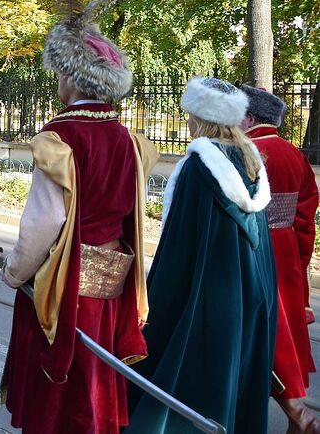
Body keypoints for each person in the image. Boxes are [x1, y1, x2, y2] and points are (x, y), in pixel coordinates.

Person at [0, 0, 157, 433]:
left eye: (59, 73)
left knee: (58, 395)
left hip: (61, 285)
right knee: (94, 381)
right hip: (110, 286)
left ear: (71, 77)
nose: (57, 81)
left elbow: (45, 221)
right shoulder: (128, 140)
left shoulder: (59, 138)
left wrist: (14, 271)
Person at [127, 77, 277, 433]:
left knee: (188, 385)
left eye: (190, 114)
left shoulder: (200, 166)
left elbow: (180, 246)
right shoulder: (250, 161)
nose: (188, 121)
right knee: (232, 382)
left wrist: (155, 300)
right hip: (251, 295)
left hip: (207, 298)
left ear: (201, 116)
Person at [240, 85, 320, 433]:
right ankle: (294, 419)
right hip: (285, 251)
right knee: (285, 337)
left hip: (255, 249)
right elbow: (306, 217)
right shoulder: (295, 154)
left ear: (249, 117)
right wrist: (298, 261)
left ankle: (294, 416)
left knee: (257, 336)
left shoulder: (246, 151)